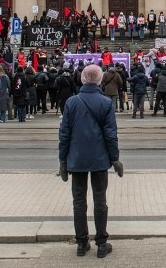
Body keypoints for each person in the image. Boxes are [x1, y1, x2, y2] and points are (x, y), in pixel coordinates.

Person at [58, 64, 122, 258]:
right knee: (100, 200)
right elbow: (110, 134)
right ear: (100, 80)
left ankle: (81, 243)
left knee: (78, 201)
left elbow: (64, 134)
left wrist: (62, 160)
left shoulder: (71, 102)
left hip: (76, 159)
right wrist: (115, 158)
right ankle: (101, 243)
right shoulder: (105, 103)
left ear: (83, 79)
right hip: (100, 158)